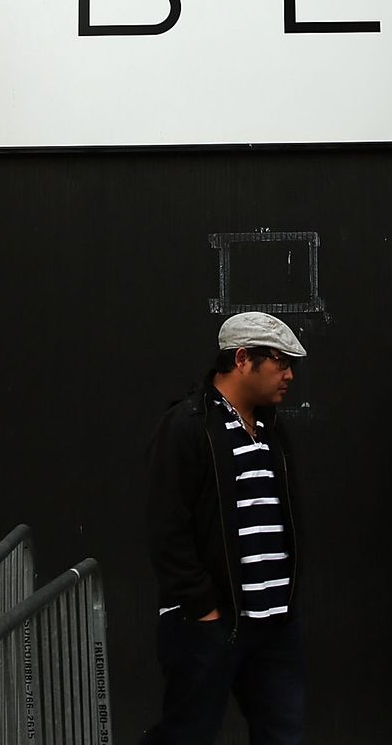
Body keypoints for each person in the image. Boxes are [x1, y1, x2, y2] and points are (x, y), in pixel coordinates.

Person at [142, 312, 309, 745]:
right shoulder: (188, 424)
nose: (289, 375)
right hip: (210, 625)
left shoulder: (271, 429)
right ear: (242, 359)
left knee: (283, 736)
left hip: (274, 624)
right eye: (280, 362)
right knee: (187, 736)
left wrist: (286, 603)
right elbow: (166, 527)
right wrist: (204, 609)